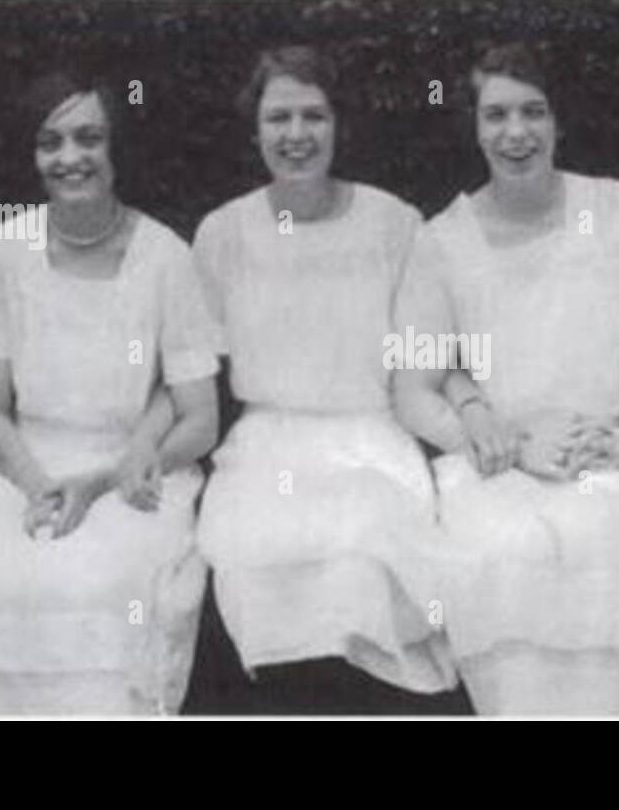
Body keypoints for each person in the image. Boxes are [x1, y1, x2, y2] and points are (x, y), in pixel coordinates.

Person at [391, 43, 619, 715]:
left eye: (534, 111)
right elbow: (414, 388)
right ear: (473, 126)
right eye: (496, 114)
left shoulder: (616, 209)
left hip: (612, 457)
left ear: (559, 122)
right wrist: (497, 443)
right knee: (510, 553)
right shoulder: (442, 240)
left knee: (605, 547)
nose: (516, 132)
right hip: (497, 469)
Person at [0, 71, 221, 714]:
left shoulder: (166, 256)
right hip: (19, 465)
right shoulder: (0, 250)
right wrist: (40, 489)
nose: (70, 158)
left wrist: (105, 480)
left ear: (118, 149)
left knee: (108, 582)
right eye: (50, 141)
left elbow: (197, 415)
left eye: (89, 138)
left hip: (136, 471)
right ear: (32, 155)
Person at [190, 46, 460, 713]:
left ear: (340, 125)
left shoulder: (396, 224)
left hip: (371, 438)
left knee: (358, 553)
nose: (296, 134)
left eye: (314, 115)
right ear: (254, 130)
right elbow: (188, 371)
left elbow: (427, 366)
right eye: (278, 117)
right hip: (265, 444)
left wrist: (475, 420)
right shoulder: (221, 233)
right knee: (259, 556)